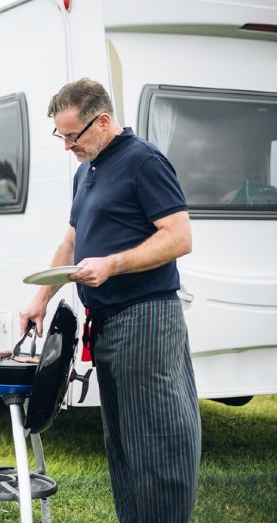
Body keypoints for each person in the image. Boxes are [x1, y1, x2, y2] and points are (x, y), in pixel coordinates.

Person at [19, 78, 201, 522]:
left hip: (146, 316)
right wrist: (41, 299)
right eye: (60, 136)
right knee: (121, 442)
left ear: (102, 121)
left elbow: (179, 238)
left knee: (156, 440)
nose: (66, 146)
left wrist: (113, 264)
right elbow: (73, 240)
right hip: (107, 321)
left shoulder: (144, 161)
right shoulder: (88, 169)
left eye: (71, 136)